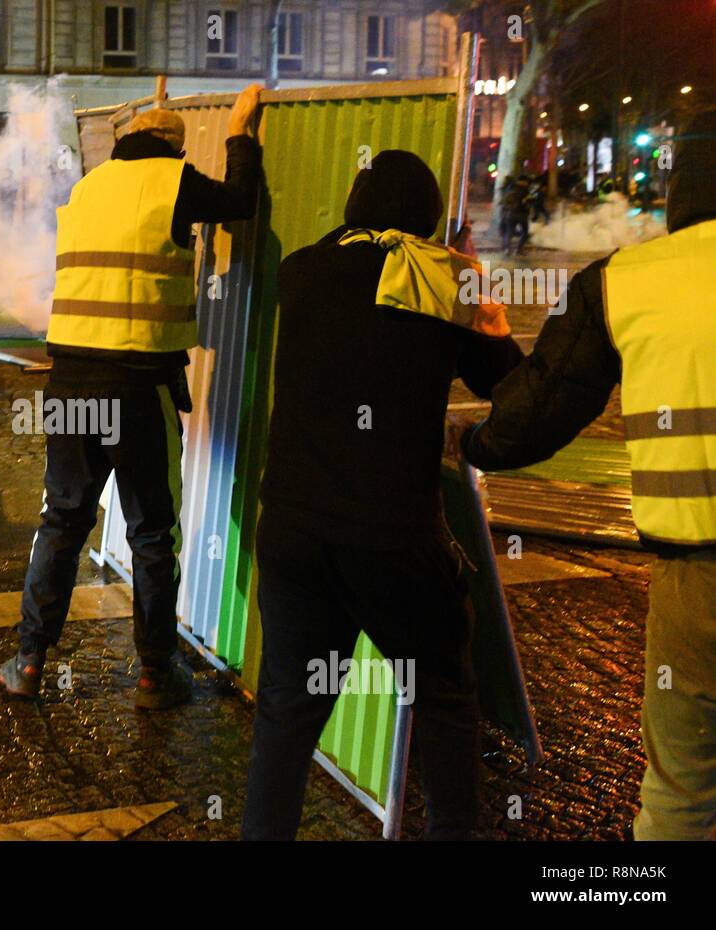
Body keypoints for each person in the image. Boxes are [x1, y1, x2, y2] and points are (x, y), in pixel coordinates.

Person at [240, 150, 525, 840]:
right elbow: (508, 387)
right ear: (427, 217)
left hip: (294, 531)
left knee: (287, 710)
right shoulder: (442, 278)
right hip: (393, 539)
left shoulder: (301, 268)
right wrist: (480, 302)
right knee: (446, 699)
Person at [458, 109, 716, 841]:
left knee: (680, 791)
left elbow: (542, 407)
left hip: (696, 584)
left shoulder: (628, 279)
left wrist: (474, 442)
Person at [0, 86, 265, 709]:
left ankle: (29, 661)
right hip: (133, 389)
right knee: (150, 533)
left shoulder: (89, 188)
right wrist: (238, 132)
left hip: (68, 382)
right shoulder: (172, 181)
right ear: (172, 148)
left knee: (62, 521)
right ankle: (154, 673)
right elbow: (241, 203)